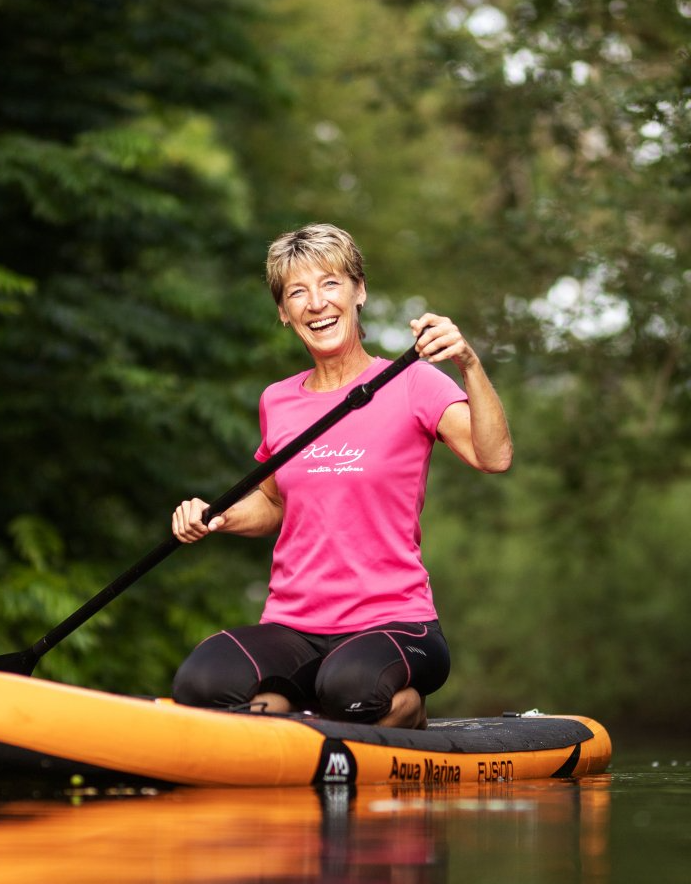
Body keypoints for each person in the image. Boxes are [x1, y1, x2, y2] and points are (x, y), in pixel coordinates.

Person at [170, 223, 512, 729]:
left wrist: (468, 362)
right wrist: (214, 517)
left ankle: (405, 707)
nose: (316, 303)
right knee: (201, 681)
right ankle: (286, 717)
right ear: (284, 314)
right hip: (294, 625)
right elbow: (273, 504)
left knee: (349, 688)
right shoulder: (278, 400)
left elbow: (494, 455)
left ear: (359, 292)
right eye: (297, 293)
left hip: (395, 626)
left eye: (330, 283)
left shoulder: (412, 382)